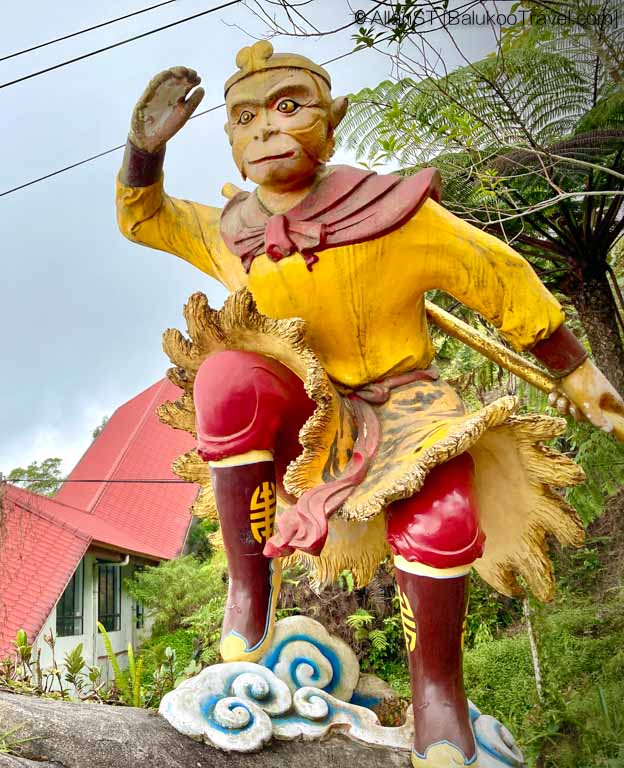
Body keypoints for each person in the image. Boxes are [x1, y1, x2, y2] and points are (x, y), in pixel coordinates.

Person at [115, 41, 624, 768]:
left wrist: (577, 374)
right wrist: (143, 152)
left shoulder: (395, 211)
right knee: (224, 377)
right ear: (229, 140)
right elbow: (144, 219)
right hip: (306, 409)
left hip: (407, 405)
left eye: (289, 107)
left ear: (332, 120)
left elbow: (499, 274)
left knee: (443, 514)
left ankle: (437, 689)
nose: (267, 128)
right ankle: (249, 587)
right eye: (246, 117)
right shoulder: (232, 232)